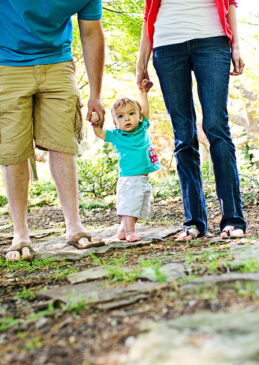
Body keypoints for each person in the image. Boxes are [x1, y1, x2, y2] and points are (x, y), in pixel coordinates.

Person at [0, 0, 106, 261]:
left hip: (58, 62)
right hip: (6, 63)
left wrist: (96, 95)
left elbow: (91, 32)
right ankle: (21, 234)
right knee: (13, 150)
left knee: (63, 144)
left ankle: (74, 226)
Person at [136, 0, 246, 241]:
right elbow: (148, 14)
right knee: (183, 136)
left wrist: (236, 45)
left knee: (216, 127)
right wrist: (141, 61)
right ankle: (194, 222)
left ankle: (232, 219)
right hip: (166, 45)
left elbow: (231, 4)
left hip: (212, 40)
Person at [92, 80, 161, 242]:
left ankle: (123, 229)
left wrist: (143, 93)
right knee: (130, 206)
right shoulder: (117, 135)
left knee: (138, 207)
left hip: (143, 178)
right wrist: (96, 122)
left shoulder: (142, 129)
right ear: (115, 122)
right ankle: (130, 232)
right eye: (121, 116)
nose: (127, 119)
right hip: (129, 179)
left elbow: (146, 111)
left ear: (138, 116)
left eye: (131, 114)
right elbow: (100, 134)